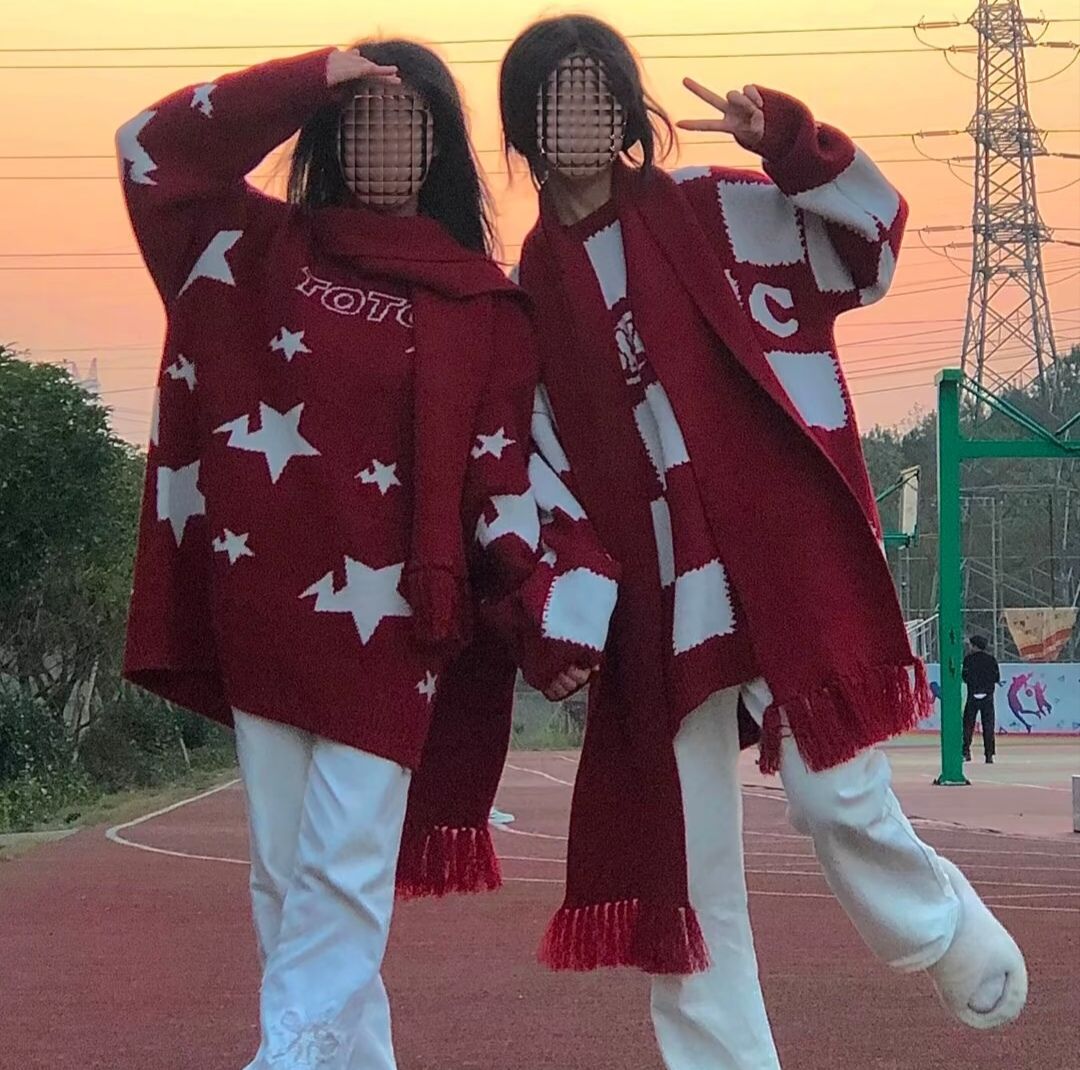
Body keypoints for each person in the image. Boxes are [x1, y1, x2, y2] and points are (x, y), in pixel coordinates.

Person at [499, 16, 1028, 1069]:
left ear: (628, 109)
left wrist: (788, 142)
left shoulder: (709, 204)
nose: (580, 116)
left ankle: (941, 924)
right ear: (524, 124)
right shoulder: (533, 288)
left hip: (783, 549)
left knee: (836, 791)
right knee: (687, 854)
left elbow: (872, 245)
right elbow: (536, 451)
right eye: (555, 96)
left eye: (599, 92)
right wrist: (565, 598)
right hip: (658, 589)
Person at [118, 41, 617, 1069]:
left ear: (440, 148)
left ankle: (287, 1057)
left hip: (399, 627)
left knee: (345, 862)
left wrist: (544, 610)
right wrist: (309, 77)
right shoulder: (249, 249)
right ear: (328, 138)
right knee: (283, 870)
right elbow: (151, 150)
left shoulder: (482, 304)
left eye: (409, 124)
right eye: (364, 121)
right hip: (265, 609)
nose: (388, 142)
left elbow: (501, 479)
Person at [963, 635, 1001, 763]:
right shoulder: (991, 660)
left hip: (973, 695)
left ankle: (966, 751)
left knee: (968, 725)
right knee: (988, 725)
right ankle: (989, 754)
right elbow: (996, 677)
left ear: (975, 646)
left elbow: (965, 677)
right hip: (987, 696)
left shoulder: (968, 659)